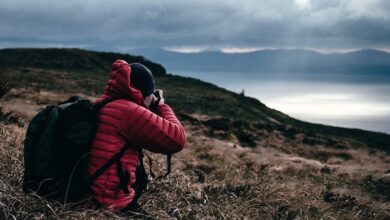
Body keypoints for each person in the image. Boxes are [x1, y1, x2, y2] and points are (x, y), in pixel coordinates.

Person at [87, 60, 186, 215]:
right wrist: (161, 106)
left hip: (85, 192)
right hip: (107, 203)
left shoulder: (104, 102)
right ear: (143, 92)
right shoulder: (128, 111)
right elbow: (177, 139)